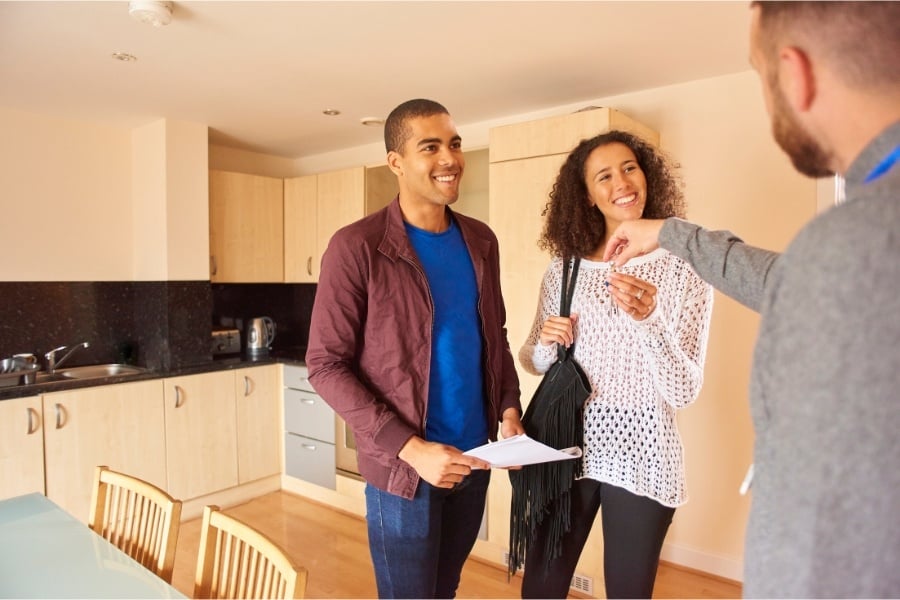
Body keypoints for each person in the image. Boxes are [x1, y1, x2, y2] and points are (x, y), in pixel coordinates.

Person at [601, 2, 900, 597]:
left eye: (759, 76)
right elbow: (791, 281)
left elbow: (818, 525)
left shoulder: (856, 239)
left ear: (795, 74)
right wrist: (672, 233)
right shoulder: (848, 250)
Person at [305, 98, 524, 599]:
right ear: (396, 162)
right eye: (430, 147)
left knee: (444, 591)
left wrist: (509, 408)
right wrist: (412, 449)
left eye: (454, 143)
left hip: (473, 458)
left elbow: (496, 336)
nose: (449, 158)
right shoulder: (356, 247)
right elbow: (324, 365)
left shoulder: (481, 241)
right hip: (405, 470)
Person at [518, 130, 714, 599]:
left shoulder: (685, 266)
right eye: (603, 176)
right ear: (587, 195)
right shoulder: (563, 269)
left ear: (646, 175)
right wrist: (547, 345)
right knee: (540, 589)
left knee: (628, 591)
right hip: (566, 447)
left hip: (643, 451)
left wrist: (650, 321)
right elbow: (532, 358)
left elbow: (684, 390)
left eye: (629, 167)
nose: (621, 182)